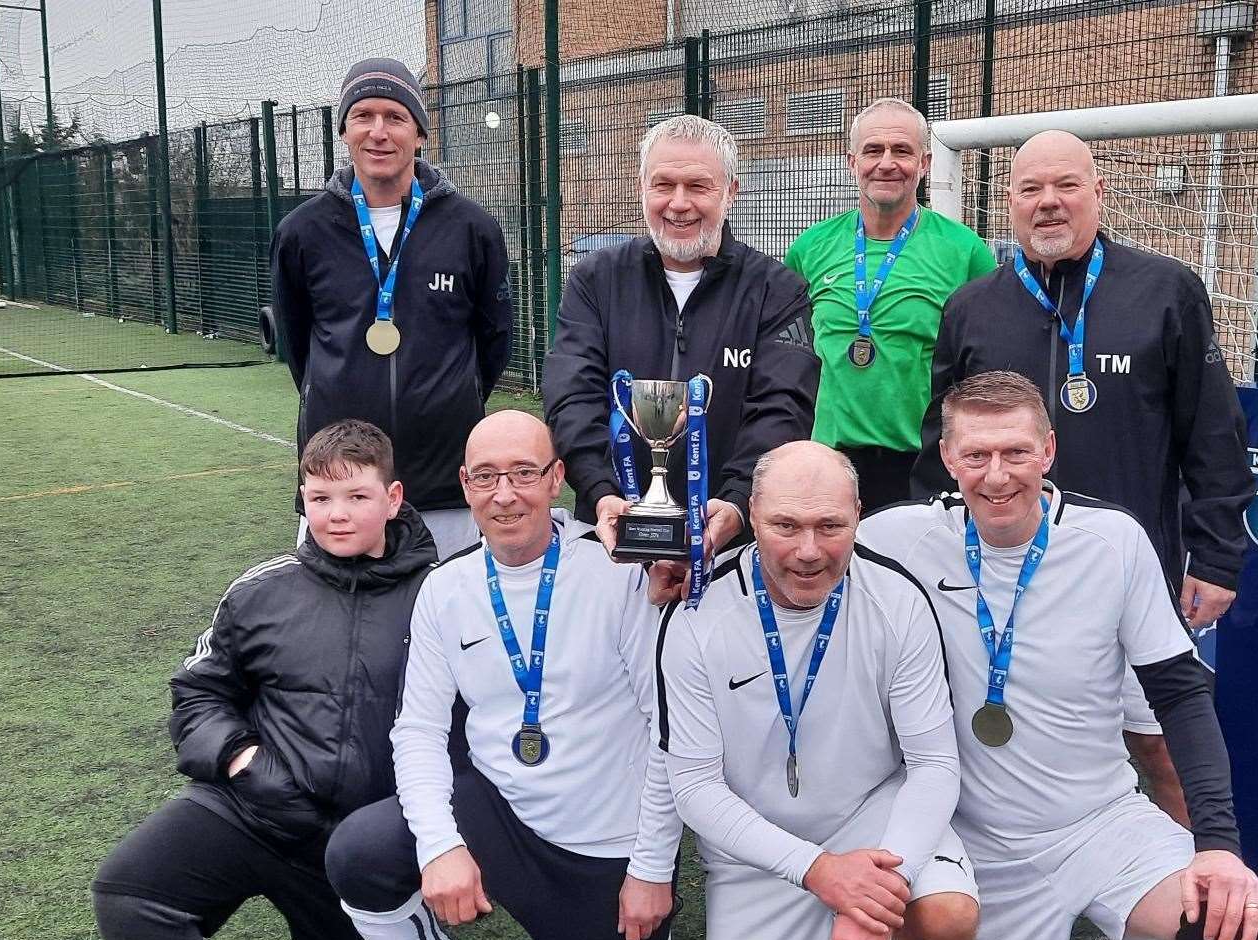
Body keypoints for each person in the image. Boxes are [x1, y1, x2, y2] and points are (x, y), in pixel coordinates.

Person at [863, 373, 1258, 940]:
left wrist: (1216, 845)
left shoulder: (1112, 540)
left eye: (1016, 452)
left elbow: (1180, 693)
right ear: (947, 455)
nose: (996, 476)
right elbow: (793, 553)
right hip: (971, 839)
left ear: (1049, 449)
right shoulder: (893, 539)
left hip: (1097, 821)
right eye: (975, 455)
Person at [324, 410, 684, 940]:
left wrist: (650, 869)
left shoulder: (619, 575)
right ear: (465, 486)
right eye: (486, 476)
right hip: (494, 812)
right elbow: (419, 731)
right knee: (358, 852)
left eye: (524, 473)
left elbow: (668, 731)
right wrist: (438, 846)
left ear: (556, 480)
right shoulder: (446, 588)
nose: (505, 494)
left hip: (602, 844)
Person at [911, 130, 1255, 826]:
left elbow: (1213, 436)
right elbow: (937, 448)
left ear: (1098, 193)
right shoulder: (970, 308)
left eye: (1065, 185)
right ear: (1007, 202)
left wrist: (1216, 555)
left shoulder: (1165, 291)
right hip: (997, 582)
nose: (1047, 203)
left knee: (1162, 749)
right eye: (1030, 188)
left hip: (1124, 578)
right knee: (994, 750)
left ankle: (1203, 899)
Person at [92, 420, 439, 940]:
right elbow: (196, 693)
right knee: (128, 892)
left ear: (393, 498)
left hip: (351, 847)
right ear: (302, 501)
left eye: (356, 497)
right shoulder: (259, 590)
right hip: (251, 807)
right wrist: (243, 761)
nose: (337, 515)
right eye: (319, 498)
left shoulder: (440, 594)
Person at [660, 440, 980, 940]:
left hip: (872, 817)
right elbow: (692, 786)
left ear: (858, 516)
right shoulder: (695, 613)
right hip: (762, 847)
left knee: (946, 918)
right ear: (752, 514)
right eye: (785, 526)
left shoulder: (896, 597)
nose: (808, 550)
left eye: (830, 526)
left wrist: (872, 902)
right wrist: (820, 873)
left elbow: (932, 764)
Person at [542, 113, 818, 600]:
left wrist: (733, 507)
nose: (679, 203)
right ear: (641, 188)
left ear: (731, 191)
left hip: (730, 545)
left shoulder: (777, 290)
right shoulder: (596, 280)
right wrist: (604, 493)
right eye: (663, 185)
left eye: (698, 185)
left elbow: (783, 409)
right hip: (611, 537)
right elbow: (571, 395)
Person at [272, 57, 513, 559]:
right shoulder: (302, 232)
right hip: (342, 482)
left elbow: (494, 344)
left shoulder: (472, 229)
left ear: (420, 133)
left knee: (450, 625)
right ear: (343, 129)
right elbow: (299, 350)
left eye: (395, 117)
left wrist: (450, 398)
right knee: (341, 630)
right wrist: (338, 390)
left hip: (446, 483)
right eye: (363, 116)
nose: (378, 132)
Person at [784, 98, 995, 511]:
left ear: (926, 162)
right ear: (851, 161)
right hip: (828, 461)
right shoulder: (810, 248)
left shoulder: (964, 250)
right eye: (873, 150)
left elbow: (986, 361)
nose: (886, 163)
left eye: (901, 151)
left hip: (920, 464)